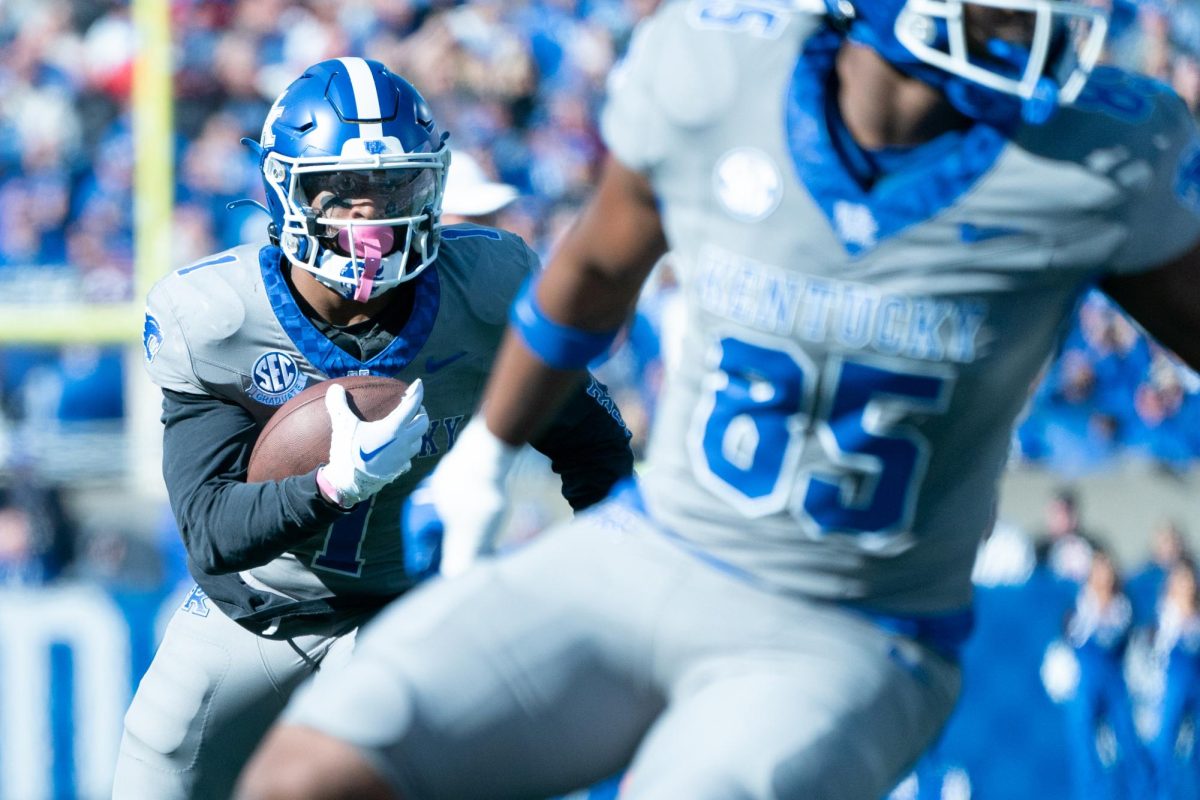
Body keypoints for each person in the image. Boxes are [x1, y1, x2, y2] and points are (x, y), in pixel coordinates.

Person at [240, 1, 1200, 798]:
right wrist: (491, 449)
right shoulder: (715, 69)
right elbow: (599, 265)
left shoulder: (1094, 159)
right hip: (660, 548)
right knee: (307, 772)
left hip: (856, 625)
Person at [112, 57, 633, 800]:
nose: (373, 219)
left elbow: (592, 442)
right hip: (258, 609)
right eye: (346, 194)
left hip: (406, 604)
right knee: (156, 758)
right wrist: (333, 484)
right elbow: (211, 531)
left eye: (394, 189)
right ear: (289, 192)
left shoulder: (482, 290)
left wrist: (610, 562)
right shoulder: (221, 321)